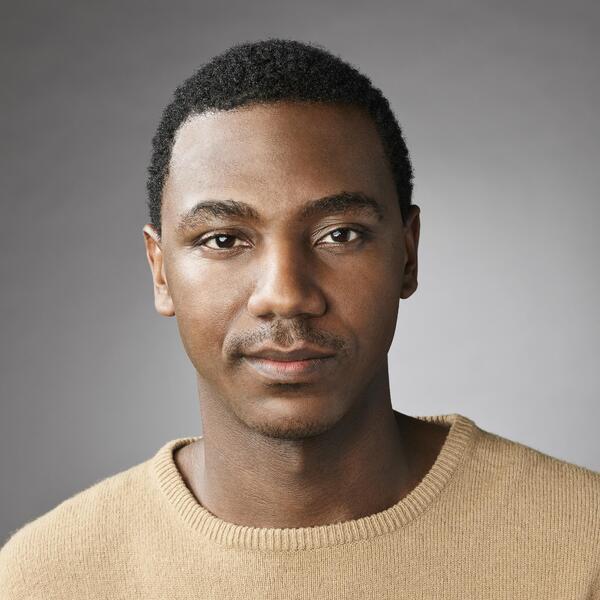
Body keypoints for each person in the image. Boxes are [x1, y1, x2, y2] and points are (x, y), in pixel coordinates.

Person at [1, 38, 598, 599]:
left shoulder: (583, 547)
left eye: (340, 235)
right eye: (223, 239)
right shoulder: (43, 578)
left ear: (408, 254)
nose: (285, 295)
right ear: (161, 272)